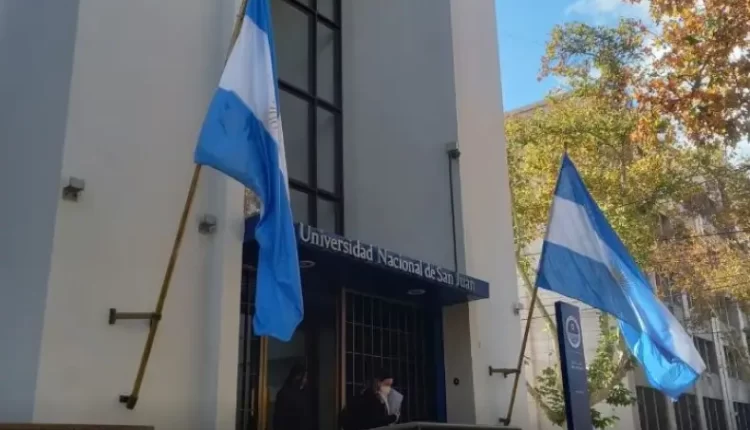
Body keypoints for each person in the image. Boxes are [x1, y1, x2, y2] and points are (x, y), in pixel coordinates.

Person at [273, 362, 309, 430]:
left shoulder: (301, 393)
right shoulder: (284, 394)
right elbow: (279, 420)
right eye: (305, 377)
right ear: (298, 376)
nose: (306, 380)